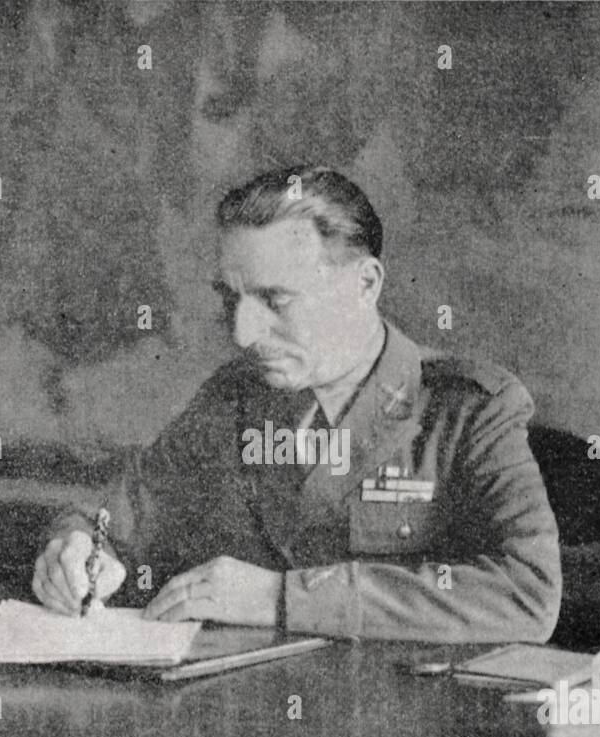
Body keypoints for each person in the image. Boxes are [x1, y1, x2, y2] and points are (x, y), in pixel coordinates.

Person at [33, 166, 561, 643]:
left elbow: (527, 592)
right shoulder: (234, 399)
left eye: (275, 300)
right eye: (231, 299)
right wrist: (76, 548)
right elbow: (111, 516)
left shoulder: (468, 412)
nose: (243, 333)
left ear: (365, 284)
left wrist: (279, 598)